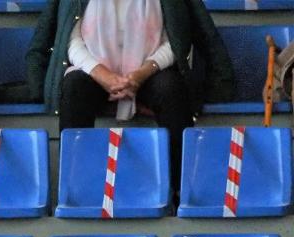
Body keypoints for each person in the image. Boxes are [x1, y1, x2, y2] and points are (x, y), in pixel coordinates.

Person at [26, 0, 234, 186]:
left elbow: (175, 42)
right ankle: (77, 187)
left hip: (150, 69)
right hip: (93, 71)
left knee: (171, 88)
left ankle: (182, 189)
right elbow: (71, 41)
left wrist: (140, 74)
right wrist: (104, 75)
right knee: (74, 87)